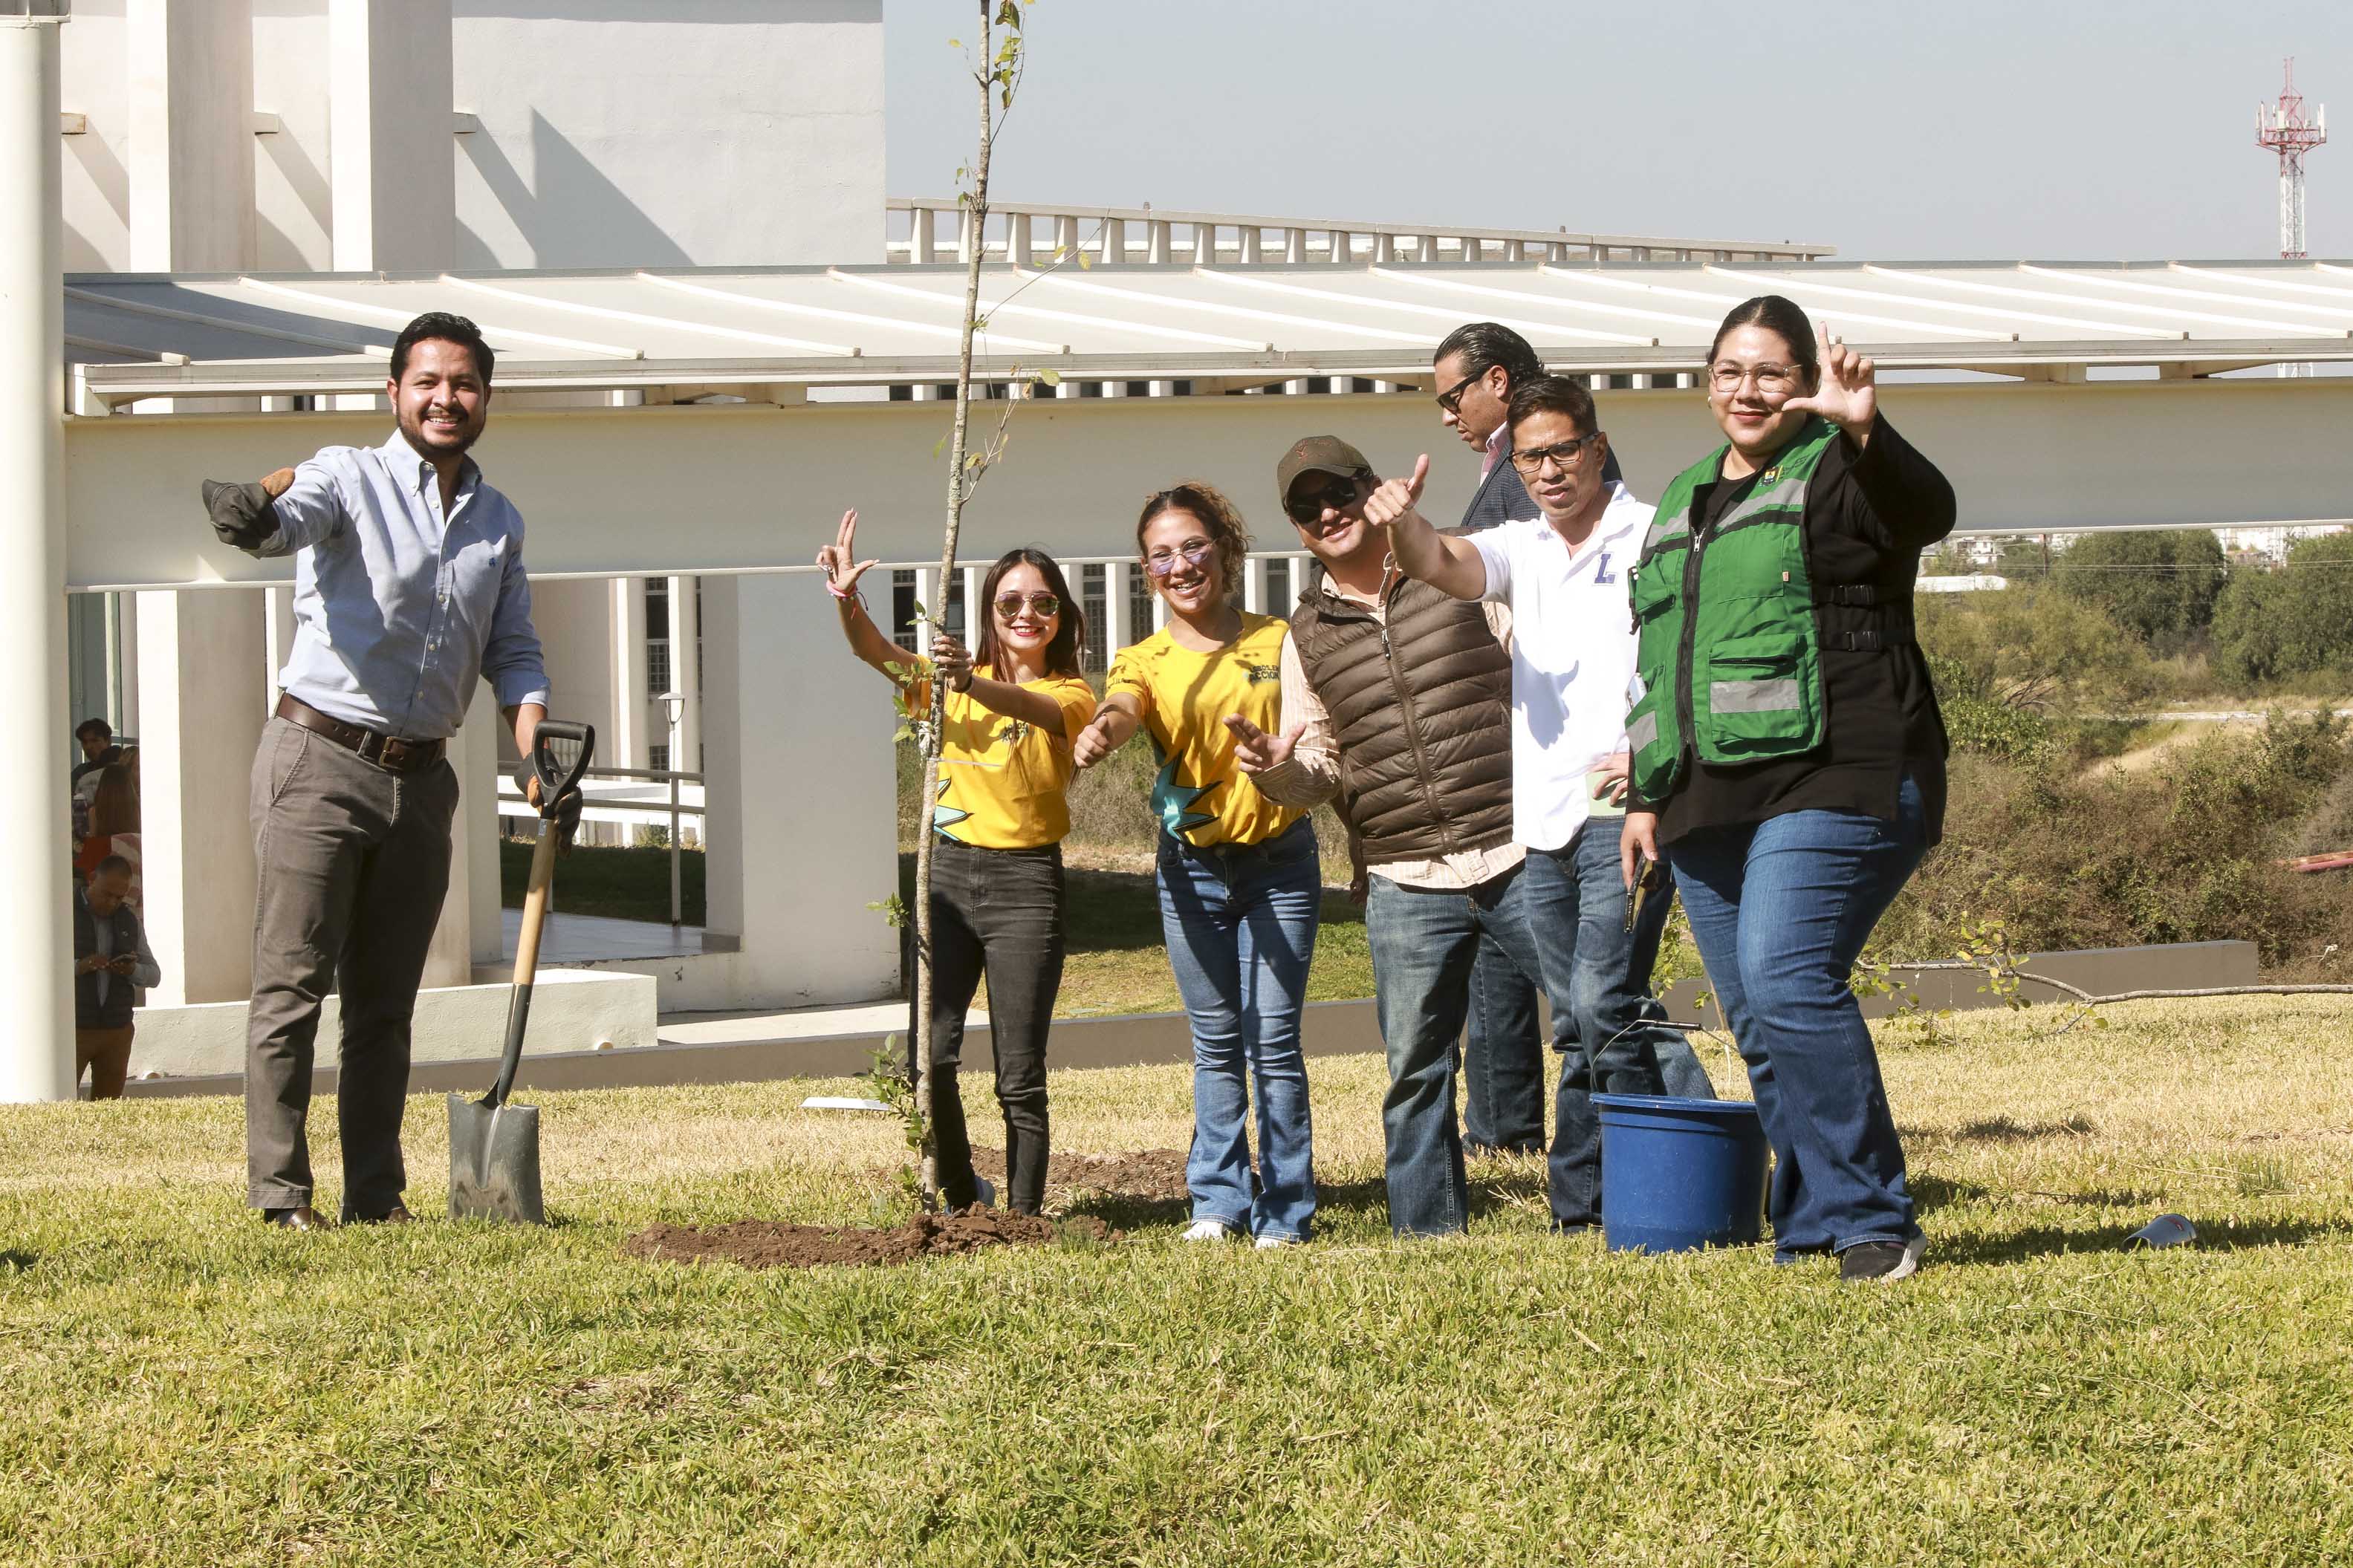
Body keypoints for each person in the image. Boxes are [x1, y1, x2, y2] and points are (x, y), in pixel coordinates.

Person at [200, 310, 578, 1232]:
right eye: (429, 382)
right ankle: (282, 1194)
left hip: (423, 781)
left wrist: (533, 751)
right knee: (291, 987)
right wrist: (256, 517)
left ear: (485, 397)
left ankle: (376, 1194)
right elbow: (287, 518)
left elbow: (515, 649)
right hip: (319, 759)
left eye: (464, 384)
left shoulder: (498, 522)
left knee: (385, 1002)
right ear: (395, 392)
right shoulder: (346, 474)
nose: (446, 398)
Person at [1618, 295, 1956, 1284]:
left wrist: (1863, 427)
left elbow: (1922, 512)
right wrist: (1644, 792)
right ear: (1705, 379)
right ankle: (1809, 1217)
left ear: (1804, 377)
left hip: (1839, 770)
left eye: (1769, 371)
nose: (1747, 389)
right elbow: (1660, 660)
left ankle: (1874, 1220)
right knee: (1756, 1014)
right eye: (1730, 370)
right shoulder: (1682, 495)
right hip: (1703, 795)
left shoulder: (1839, 471)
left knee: (1785, 975)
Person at [1377, 375, 1714, 1233]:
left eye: (1565, 449)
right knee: (1576, 1018)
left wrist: (1644, 754)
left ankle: (1667, 1176)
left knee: (1602, 1001)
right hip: (1543, 819)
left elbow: (1688, 655)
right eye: (1531, 456)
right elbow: (1443, 564)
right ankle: (1587, 1204)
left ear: (1597, 447)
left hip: (1625, 811)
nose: (1550, 469)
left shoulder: (1652, 533)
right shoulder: (1522, 546)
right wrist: (1402, 524)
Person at [1231, 435, 1554, 1237]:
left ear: (1373, 491)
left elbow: (1541, 674)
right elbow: (1321, 768)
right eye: (1305, 507)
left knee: (1599, 1015)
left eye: (1339, 493)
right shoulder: (1301, 634)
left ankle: (1615, 1197)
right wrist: (1275, 768)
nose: (1328, 514)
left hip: (1517, 847)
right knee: (1416, 1070)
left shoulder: (1462, 567)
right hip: (1405, 876)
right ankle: (1428, 1237)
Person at [814, 513, 1094, 1217]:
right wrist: (849, 602)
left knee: (1018, 1072)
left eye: (1042, 602)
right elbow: (875, 652)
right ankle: (965, 1195)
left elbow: (1026, 704)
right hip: (945, 878)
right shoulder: (943, 684)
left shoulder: (1071, 694)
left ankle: (1025, 1218)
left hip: (1026, 883)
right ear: (989, 612)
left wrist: (969, 680)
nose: (1026, 613)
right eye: (1010, 603)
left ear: (1061, 616)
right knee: (930, 1056)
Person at [1074, 483, 1321, 1248]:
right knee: (1215, 1041)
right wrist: (1100, 733)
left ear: (1225, 549)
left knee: (1272, 1039)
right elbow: (1121, 705)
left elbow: (1316, 741)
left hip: (1278, 863)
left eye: (1193, 547)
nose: (1180, 565)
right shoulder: (1141, 658)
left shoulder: (1278, 638)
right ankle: (1216, 1201)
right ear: (1145, 571)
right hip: (1190, 870)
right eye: (1161, 555)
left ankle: (1284, 1210)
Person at [1429, 322, 1626, 1156]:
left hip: (1595, 776)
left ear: (1497, 381)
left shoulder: (1567, 495)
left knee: (1596, 999)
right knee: (1517, 954)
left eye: (1452, 396)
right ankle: (1509, 1130)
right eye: (1531, 461)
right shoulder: (1505, 481)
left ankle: (1664, 1129)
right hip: (1529, 773)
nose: (1445, 416)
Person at [74, 856, 160, 1100]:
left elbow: (154, 975)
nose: (111, 903)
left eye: (119, 897)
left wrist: (132, 971)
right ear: (92, 879)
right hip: (74, 1028)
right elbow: (39, 967)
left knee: (108, 1109)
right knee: (59, 1105)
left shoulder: (129, 920)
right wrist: (80, 967)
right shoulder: (63, 913)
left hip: (117, 1030)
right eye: (107, 894)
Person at [74, 757, 142, 907]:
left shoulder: (95, 811)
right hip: (133, 861)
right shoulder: (138, 809)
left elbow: (92, 844)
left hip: (105, 862)